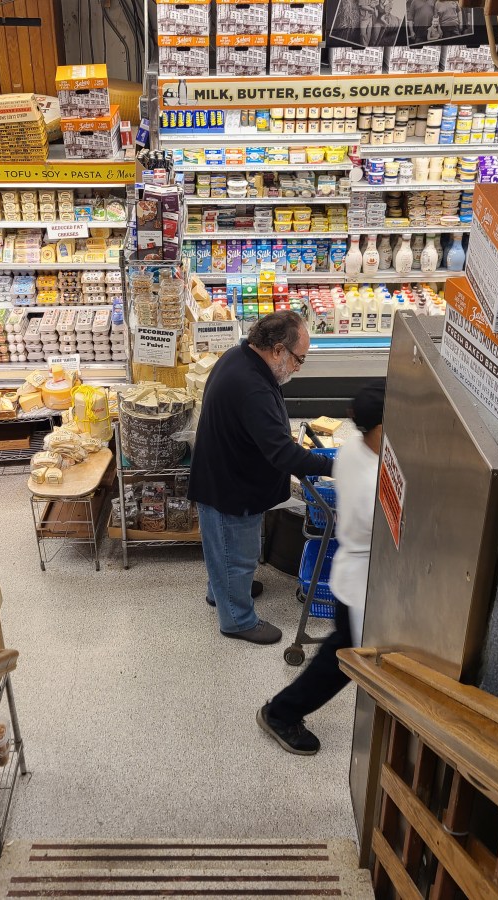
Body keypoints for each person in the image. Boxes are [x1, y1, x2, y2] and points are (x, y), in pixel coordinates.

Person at [190, 311, 335, 645]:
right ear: (277, 350)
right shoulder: (252, 386)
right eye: (299, 359)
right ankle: (237, 618)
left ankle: (223, 591)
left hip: (223, 473)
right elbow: (283, 454)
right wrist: (333, 469)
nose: (299, 367)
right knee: (235, 552)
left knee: (223, 548)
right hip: (231, 487)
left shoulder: (238, 356)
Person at [257, 379, 386, 754]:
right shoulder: (369, 479)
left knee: (341, 653)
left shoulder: (354, 453)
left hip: (358, 574)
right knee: (338, 659)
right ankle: (280, 713)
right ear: (379, 427)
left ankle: (282, 711)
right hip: (361, 582)